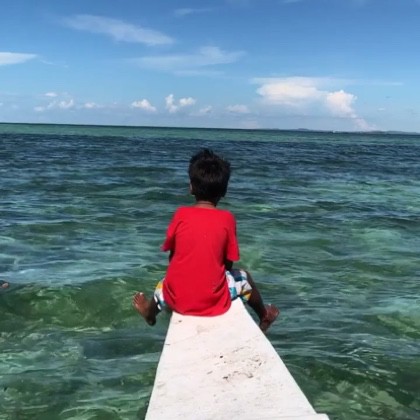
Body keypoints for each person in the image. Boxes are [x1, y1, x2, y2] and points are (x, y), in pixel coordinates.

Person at [133, 149, 279, 332]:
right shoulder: (227, 219)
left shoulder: (180, 214)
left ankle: (150, 312)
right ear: (224, 191)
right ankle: (264, 316)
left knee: (166, 282)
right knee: (244, 277)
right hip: (213, 303)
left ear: (191, 187)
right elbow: (228, 264)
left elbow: (173, 257)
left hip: (178, 299)